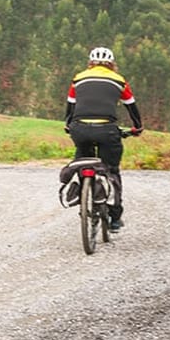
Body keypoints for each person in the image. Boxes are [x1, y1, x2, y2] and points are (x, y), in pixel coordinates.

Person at [64, 46, 143, 231]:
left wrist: (68, 124)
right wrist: (137, 126)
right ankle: (115, 218)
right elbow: (131, 107)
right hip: (107, 130)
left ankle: (82, 190)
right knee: (111, 170)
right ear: (112, 64)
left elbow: (70, 107)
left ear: (90, 64)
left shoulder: (78, 78)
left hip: (80, 129)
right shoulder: (119, 80)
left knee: (81, 160)